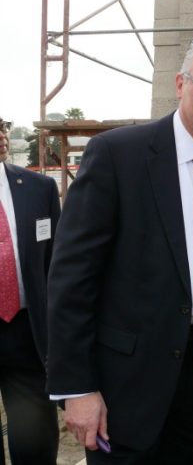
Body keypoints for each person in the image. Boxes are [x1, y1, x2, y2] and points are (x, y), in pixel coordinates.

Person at [47, 31, 193, 465]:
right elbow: (71, 279)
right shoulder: (117, 155)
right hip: (125, 387)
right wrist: (78, 388)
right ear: (180, 85)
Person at [0, 117, 60, 465]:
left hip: (28, 332)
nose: (1, 135)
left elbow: (58, 264)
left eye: (2, 126)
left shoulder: (39, 189)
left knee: (34, 437)